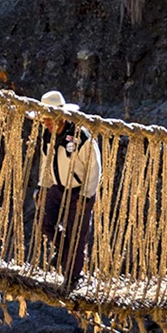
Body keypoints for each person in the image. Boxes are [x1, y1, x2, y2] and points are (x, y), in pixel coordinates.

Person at [33, 89, 101, 290]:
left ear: (61, 117)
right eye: (44, 120)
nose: (47, 123)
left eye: (50, 119)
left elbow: (94, 167)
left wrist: (86, 195)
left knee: (77, 236)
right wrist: (42, 187)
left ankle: (73, 277)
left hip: (79, 191)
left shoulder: (82, 137)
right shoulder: (47, 135)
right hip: (57, 188)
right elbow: (46, 162)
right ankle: (63, 252)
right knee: (44, 222)